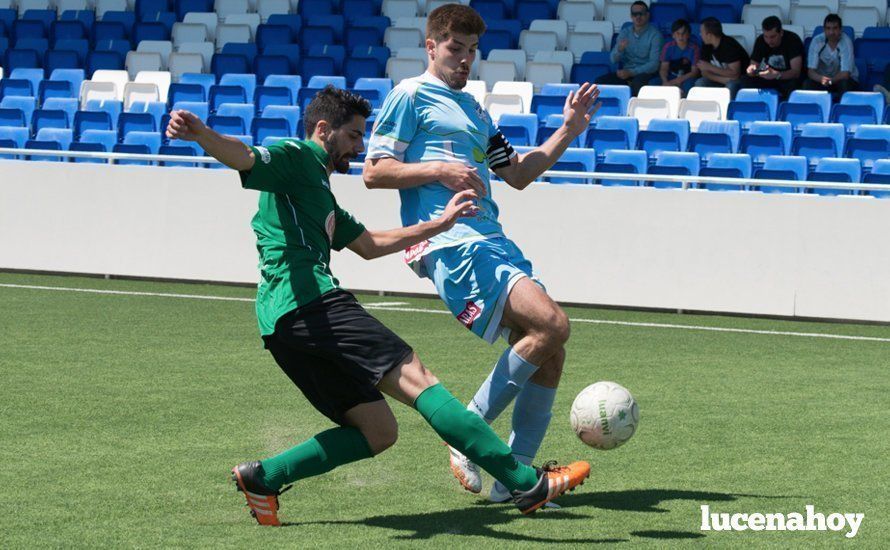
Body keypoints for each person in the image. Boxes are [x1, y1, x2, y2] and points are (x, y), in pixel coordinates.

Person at [164, 87, 590, 526]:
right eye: (353, 135)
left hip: (280, 328)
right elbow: (245, 156)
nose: (359, 145)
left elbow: (368, 245)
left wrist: (438, 224)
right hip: (311, 302)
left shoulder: (319, 193)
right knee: (417, 377)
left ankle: (264, 477)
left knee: (378, 431)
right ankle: (523, 482)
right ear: (323, 130)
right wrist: (202, 134)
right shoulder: (296, 156)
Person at [363, 4, 599, 505]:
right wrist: (438, 171)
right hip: (453, 243)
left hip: (492, 239)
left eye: (473, 50)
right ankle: (467, 432)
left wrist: (569, 130)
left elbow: (516, 173)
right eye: (456, 48)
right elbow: (375, 170)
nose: (466, 59)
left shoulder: (474, 109)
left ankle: (513, 485)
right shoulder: (409, 95)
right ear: (431, 47)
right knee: (553, 325)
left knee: (550, 355)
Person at [596, 1, 664, 96]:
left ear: (647, 15)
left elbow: (654, 65)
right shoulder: (625, 33)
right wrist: (619, 50)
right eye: (635, 14)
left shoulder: (655, 35)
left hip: (645, 73)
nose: (638, 17)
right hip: (626, 72)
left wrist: (632, 73)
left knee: (637, 83)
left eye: (641, 14)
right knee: (600, 82)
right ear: (631, 16)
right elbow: (612, 59)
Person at [738, 16, 804, 100]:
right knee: (746, 80)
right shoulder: (761, 41)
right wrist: (752, 70)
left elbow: (796, 72)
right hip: (768, 77)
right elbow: (753, 64)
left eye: (773, 37)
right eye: (766, 36)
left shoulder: (792, 40)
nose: (769, 41)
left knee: (794, 84)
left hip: (787, 78)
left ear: (781, 33)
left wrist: (777, 75)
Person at [803, 14, 857, 99]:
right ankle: (811, 110)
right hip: (822, 80)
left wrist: (831, 81)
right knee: (807, 84)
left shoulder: (846, 42)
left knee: (844, 84)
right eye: (828, 28)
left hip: (842, 80)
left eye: (835, 28)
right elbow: (811, 72)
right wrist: (822, 79)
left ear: (840, 29)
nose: (831, 32)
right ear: (824, 29)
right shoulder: (817, 41)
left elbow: (845, 74)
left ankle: (842, 110)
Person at [694, 17, 749, 98]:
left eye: (701, 32)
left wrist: (710, 67)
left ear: (709, 35)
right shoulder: (706, 45)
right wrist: (724, 80)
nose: (700, 35)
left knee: (731, 85)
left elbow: (735, 74)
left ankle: (728, 109)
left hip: (740, 79)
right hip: (723, 79)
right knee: (700, 82)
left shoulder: (729, 45)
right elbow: (704, 72)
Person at [658, 19, 700, 96]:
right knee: (653, 83)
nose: (680, 36)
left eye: (683, 33)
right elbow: (663, 68)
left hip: (687, 78)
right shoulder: (668, 47)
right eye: (678, 33)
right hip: (671, 76)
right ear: (673, 35)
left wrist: (673, 82)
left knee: (689, 86)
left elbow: (694, 72)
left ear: (688, 35)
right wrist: (665, 82)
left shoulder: (694, 48)